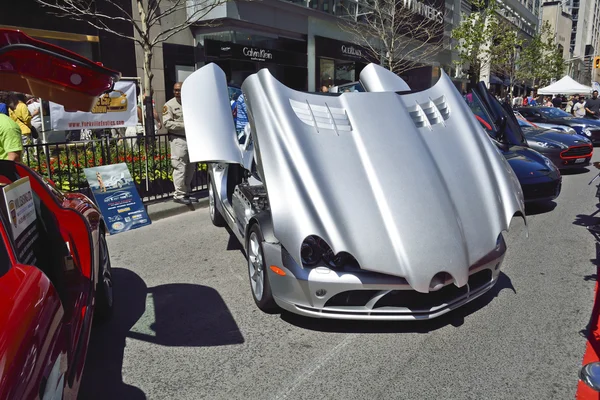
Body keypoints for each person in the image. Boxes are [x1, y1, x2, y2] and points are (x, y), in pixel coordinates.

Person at [163, 82, 197, 205]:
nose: (177, 92)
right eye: (175, 90)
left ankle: (186, 190)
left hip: (191, 139)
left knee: (190, 166)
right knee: (180, 167)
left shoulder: (190, 103)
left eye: (180, 90)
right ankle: (179, 194)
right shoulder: (169, 105)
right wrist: (185, 125)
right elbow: (167, 123)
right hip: (178, 140)